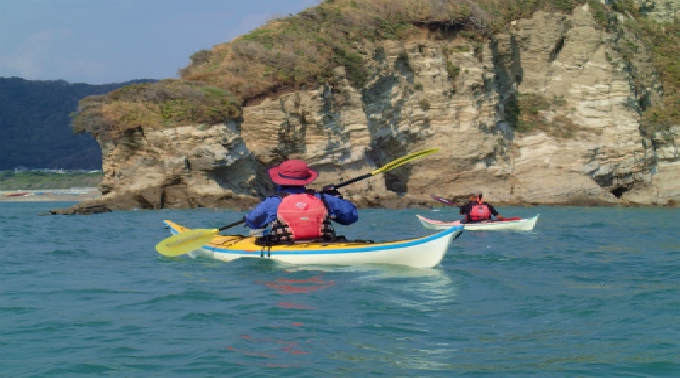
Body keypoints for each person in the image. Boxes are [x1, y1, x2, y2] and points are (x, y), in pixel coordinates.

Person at [245, 160, 359, 243]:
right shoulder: (324, 199)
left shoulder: (273, 202)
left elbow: (253, 221)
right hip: (323, 244)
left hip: (285, 246)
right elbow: (351, 217)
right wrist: (336, 198)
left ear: (279, 181)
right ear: (305, 180)